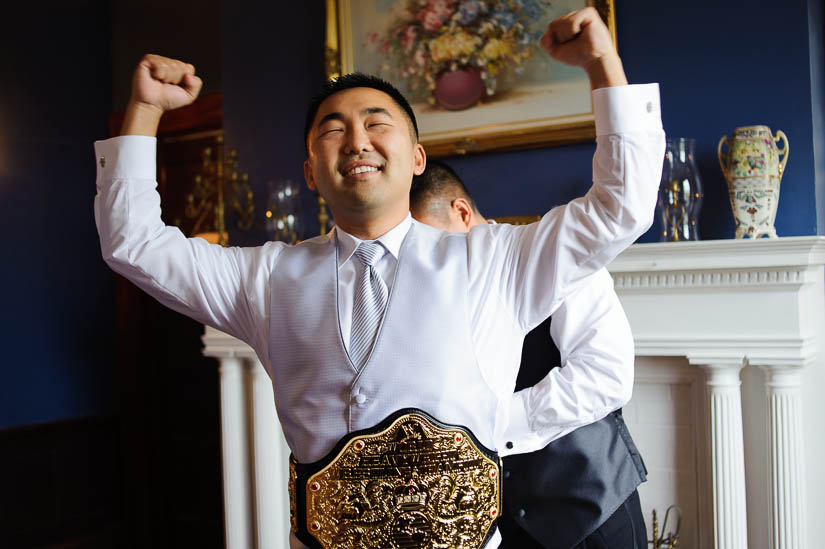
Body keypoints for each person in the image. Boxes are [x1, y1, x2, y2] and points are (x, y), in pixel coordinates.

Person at [93, 8, 664, 548]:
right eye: (332, 129)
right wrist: (144, 111)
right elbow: (135, 244)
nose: (357, 141)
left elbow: (621, 208)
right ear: (312, 171)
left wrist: (602, 67)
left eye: (376, 123)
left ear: (417, 158)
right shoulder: (264, 279)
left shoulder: (495, 260)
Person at [410, 160, 648, 549]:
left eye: (431, 241)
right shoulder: (430, 299)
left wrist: (492, 423)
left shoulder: (555, 257)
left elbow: (606, 377)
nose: (427, 262)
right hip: (504, 526)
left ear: (462, 212)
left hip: (591, 515)